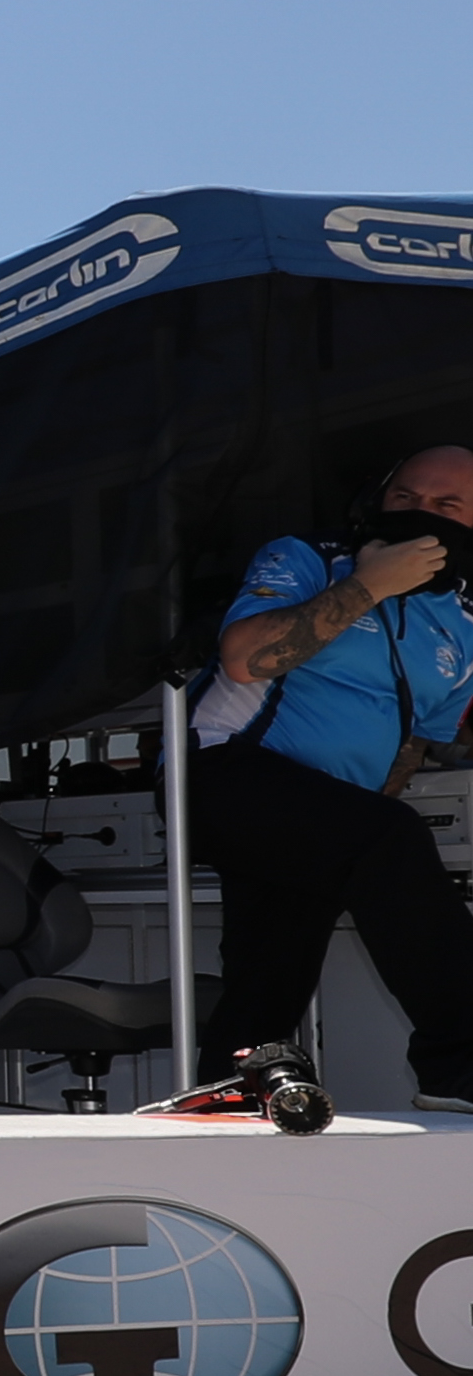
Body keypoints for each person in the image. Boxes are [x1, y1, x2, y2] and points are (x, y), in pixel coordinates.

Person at [185, 445, 473, 1107]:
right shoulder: (310, 559)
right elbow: (244, 659)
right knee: (386, 838)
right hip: (226, 772)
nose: (420, 512)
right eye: (405, 497)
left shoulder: (462, 626)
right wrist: (370, 584)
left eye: (446, 505)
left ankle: (228, 1092)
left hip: (326, 807)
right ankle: (459, 1061)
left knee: (272, 969)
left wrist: (366, 812)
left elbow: (416, 744)